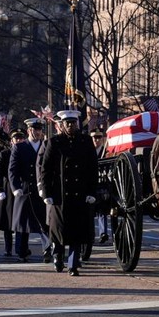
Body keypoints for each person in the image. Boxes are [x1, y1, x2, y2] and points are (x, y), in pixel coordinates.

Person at [40, 109, 98, 276]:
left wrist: (92, 192)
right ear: (62, 125)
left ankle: (73, 265)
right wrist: (46, 193)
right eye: (68, 123)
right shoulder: (54, 142)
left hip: (80, 194)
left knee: (77, 232)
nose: (71, 126)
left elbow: (93, 169)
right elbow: (46, 170)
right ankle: (58, 256)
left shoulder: (85, 141)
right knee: (58, 230)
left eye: (73, 123)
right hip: (59, 195)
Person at [9, 118, 49, 262]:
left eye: (39, 130)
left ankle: (47, 249)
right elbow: (12, 170)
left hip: (41, 189)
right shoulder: (19, 147)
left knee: (44, 223)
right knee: (23, 224)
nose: (37, 132)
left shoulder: (46, 146)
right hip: (25, 189)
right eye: (34, 130)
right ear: (28, 131)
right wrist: (16, 188)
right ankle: (22, 250)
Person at [0, 129, 24, 256]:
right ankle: (8, 248)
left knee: (21, 220)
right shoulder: (5, 154)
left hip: (22, 189)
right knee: (7, 221)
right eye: (16, 138)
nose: (18, 140)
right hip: (8, 189)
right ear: (11, 141)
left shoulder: (27, 152)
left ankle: (19, 248)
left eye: (20, 138)